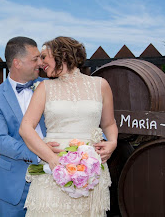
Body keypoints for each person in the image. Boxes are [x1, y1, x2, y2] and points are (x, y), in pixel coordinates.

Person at [19, 36, 118, 217]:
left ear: (62, 55)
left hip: (90, 173)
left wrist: (112, 143)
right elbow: (25, 128)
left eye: (44, 57)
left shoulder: (100, 85)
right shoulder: (44, 88)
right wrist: (52, 159)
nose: (40, 63)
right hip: (52, 172)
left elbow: (109, 123)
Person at [0, 36, 61, 217]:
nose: (40, 63)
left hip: (55, 179)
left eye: (41, 58)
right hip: (15, 186)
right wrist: (40, 152)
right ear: (17, 63)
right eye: (35, 59)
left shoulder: (51, 87)